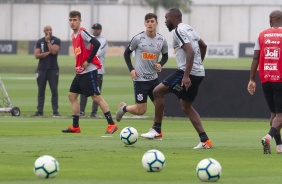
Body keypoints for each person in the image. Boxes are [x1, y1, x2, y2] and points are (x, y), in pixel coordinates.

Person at [141, 8, 213, 149]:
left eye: (166, 18)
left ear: (173, 19)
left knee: (157, 92)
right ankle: (205, 140)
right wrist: (198, 65)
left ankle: (156, 130)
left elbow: (190, 51)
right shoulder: (189, 28)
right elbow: (203, 46)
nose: (165, 21)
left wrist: (186, 75)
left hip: (187, 73)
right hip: (199, 73)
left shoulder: (178, 31)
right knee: (186, 106)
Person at [62, 10, 118, 134]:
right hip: (80, 72)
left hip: (89, 71)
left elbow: (96, 43)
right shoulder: (73, 35)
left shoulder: (83, 32)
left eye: (75, 20)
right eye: (70, 20)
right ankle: (75, 126)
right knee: (72, 96)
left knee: (96, 97)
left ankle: (112, 124)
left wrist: (88, 60)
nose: (72, 22)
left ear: (80, 21)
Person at [115, 13, 168, 125]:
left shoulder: (161, 40)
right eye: (147, 21)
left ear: (156, 23)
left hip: (154, 80)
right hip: (140, 80)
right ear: (145, 23)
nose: (150, 24)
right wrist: (131, 69)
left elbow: (165, 56)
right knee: (141, 110)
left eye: (152, 21)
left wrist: (160, 63)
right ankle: (124, 108)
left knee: (160, 109)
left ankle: (155, 130)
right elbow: (126, 54)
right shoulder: (138, 38)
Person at [248, 10, 282, 154]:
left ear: (271, 19)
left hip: (266, 78)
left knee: (274, 113)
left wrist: (251, 79)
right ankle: (269, 136)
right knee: (280, 115)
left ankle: (279, 145)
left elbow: (256, 58)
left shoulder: (261, 35)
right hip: (280, 78)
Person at [80, 23, 108, 118]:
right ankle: (81, 111)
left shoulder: (103, 40)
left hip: (98, 70)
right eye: (94, 28)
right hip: (87, 69)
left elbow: (98, 53)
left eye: (97, 29)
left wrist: (86, 57)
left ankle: (94, 112)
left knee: (96, 93)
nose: (95, 30)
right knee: (84, 91)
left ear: (100, 30)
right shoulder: (89, 39)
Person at [33, 25, 61, 117]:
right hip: (41, 69)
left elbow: (53, 51)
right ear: (44, 31)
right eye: (47, 30)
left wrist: (48, 41)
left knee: (54, 91)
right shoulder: (39, 41)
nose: (49, 31)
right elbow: (37, 55)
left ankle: (55, 111)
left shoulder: (56, 40)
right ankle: (40, 111)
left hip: (53, 69)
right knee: (41, 91)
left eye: (50, 30)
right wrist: (47, 53)